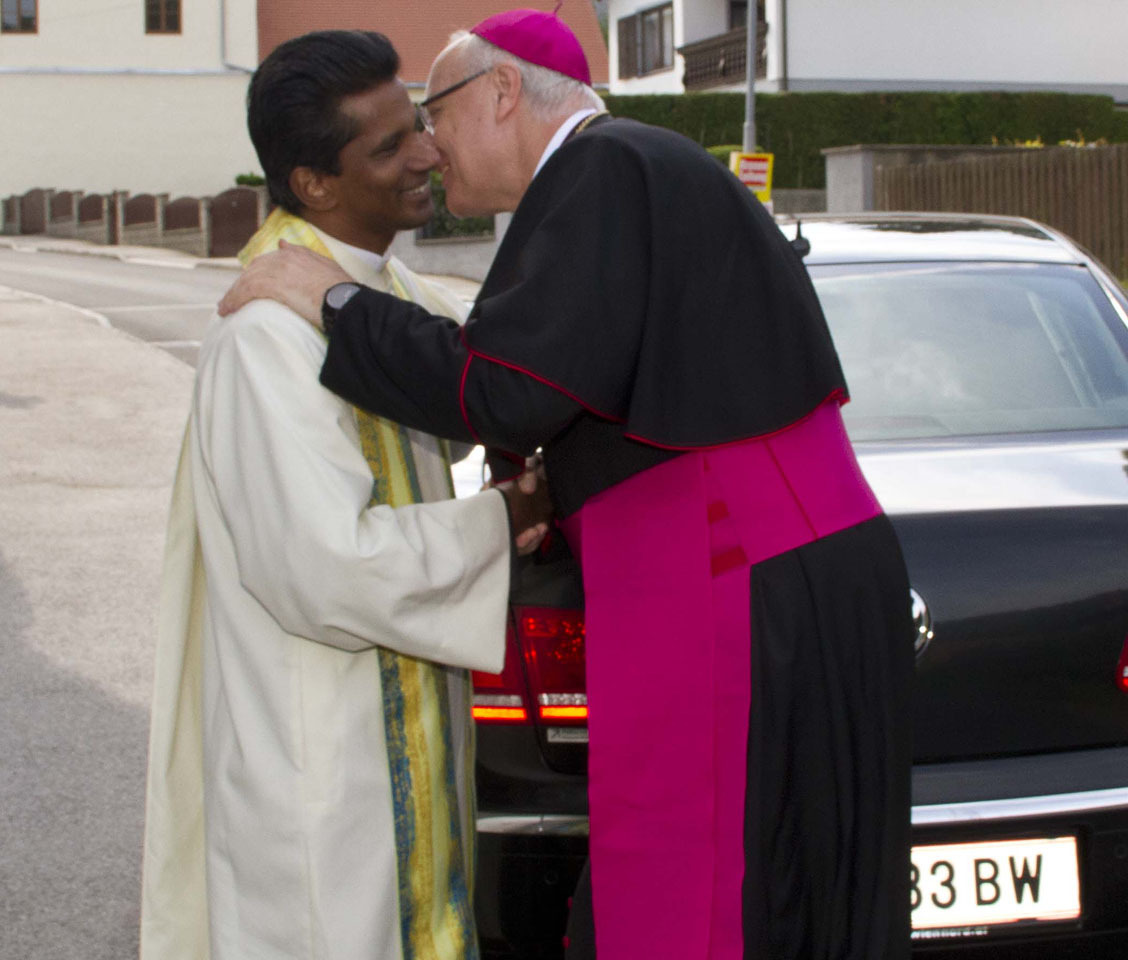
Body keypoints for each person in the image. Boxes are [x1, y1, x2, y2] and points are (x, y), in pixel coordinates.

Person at [218, 10, 915, 960]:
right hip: (769, 567)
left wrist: (333, 301)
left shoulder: (600, 169)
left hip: (730, 578)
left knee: (698, 899)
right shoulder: (632, 167)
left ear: (501, 92)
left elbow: (503, 388)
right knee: (784, 885)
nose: (431, 147)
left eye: (435, 113)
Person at [139, 30, 550, 960]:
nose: (428, 154)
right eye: (389, 146)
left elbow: (478, 387)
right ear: (313, 183)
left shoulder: (380, 287)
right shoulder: (266, 338)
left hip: (396, 739)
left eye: (419, 126)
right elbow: (326, 568)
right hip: (324, 774)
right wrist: (509, 516)